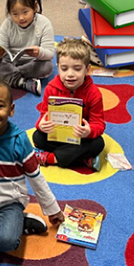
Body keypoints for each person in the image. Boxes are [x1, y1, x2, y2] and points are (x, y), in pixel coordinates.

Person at [0, 78, 65, 259]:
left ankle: (18, 221)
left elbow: (36, 177)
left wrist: (52, 208)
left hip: (10, 202)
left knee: (6, 242)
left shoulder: (20, 140)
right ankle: (15, 224)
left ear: (11, 110)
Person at [33, 38, 106, 171]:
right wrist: (41, 125)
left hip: (80, 138)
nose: (70, 74)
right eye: (64, 69)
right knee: (38, 137)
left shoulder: (94, 93)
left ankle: (50, 158)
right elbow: (43, 115)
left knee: (98, 143)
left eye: (77, 69)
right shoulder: (51, 89)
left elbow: (99, 124)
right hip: (57, 135)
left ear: (87, 69)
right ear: (58, 68)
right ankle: (83, 159)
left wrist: (88, 131)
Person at [0, 0, 55, 96]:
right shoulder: (8, 23)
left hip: (31, 63)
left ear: (35, 7)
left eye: (25, 12)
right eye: (15, 14)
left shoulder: (44, 23)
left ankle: (4, 76)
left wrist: (39, 52)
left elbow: (50, 53)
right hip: (9, 61)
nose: (21, 18)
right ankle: (21, 82)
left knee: (48, 66)